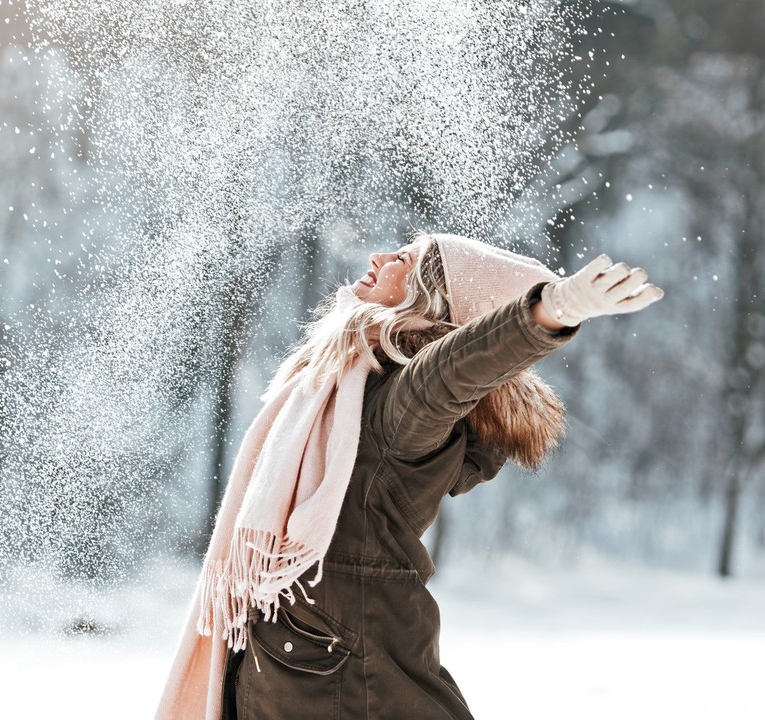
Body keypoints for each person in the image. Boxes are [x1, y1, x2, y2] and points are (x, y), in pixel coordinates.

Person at [157, 233, 664, 720]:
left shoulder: (398, 405)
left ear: (433, 302)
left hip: (338, 672)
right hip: (309, 659)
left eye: (406, 258)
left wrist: (550, 311)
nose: (379, 257)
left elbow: (450, 371)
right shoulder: (346, 388)